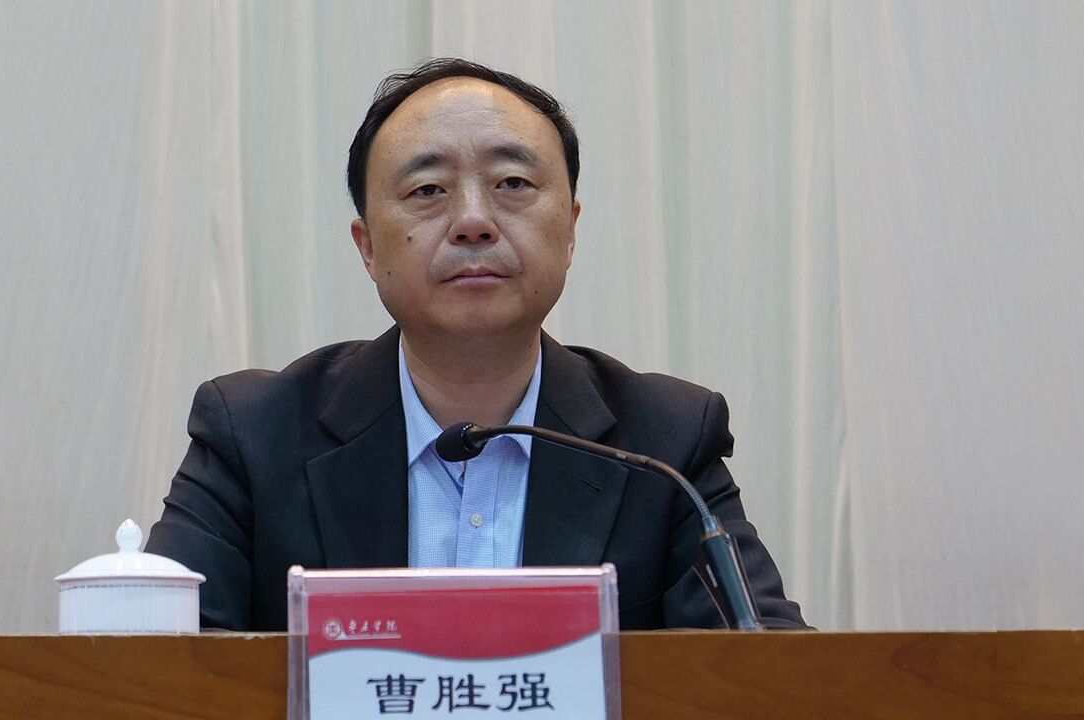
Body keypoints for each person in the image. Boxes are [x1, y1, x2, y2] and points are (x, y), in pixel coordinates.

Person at [146, 58, 807, 631]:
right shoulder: (253, 436)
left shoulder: (665, 444)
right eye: (428, 190)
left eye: (512, 184)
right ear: (367, 247)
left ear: (570, 230)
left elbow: (767, 673)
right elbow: (154, 671)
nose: (472, 221)